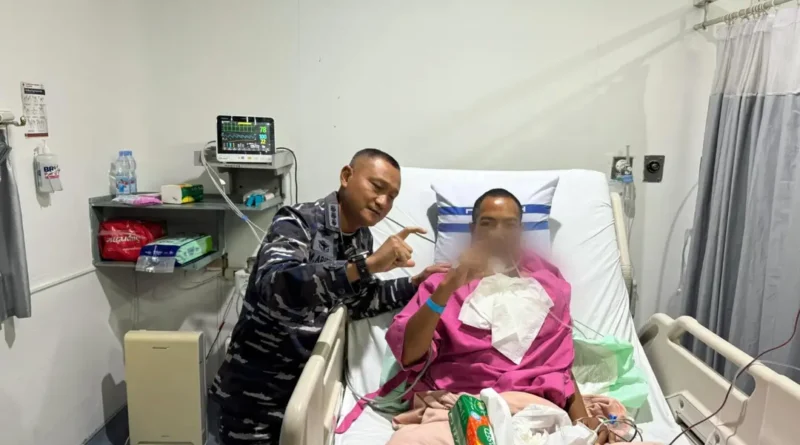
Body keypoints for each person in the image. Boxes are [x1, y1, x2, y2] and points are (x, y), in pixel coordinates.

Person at [212, 148, 449, 445]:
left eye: (392, 197)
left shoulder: (361, 238)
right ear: (346, 176)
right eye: (377, 187)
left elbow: (360, 301)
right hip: (255, 395)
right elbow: (275, 286)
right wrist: (367, 265)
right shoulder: (298, 221)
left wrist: (416, 284)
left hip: (309, 392)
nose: (383, 202)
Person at [383, 188, 615, 445]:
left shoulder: (549, 287)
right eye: (487, 223)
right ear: (473, 230)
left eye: (509, 224)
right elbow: (410, 354)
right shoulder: (442, 284)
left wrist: (582, 422)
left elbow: (560, 369)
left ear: (520, 232)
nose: (498, 233)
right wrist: (445, 290)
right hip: (462, 410)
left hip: (535, 414)